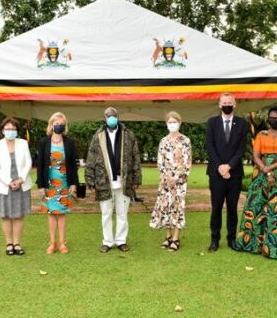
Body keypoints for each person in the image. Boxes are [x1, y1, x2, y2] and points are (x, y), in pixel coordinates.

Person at [235, 106, 277, 259]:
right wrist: (266, 170)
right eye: (271, 117)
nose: (274, 120)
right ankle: (255, 244)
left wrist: (270, 167)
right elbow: (256, 155)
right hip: (262, 175)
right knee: (257, 207)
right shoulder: (261, 135)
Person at [85, 107, 142, 253]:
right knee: (106, 214)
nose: (111, 117)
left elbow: (136, 157)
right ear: (104, 117)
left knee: (123, 214)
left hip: (125, 181)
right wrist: (90, 179)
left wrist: (136, 178)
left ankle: (121, 241)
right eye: (108, 115)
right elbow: (91, 158)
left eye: (114, 115)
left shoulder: (128, 135)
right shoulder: (98, 136)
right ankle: (108, 241)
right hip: (104, 182)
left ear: (118, 117)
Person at [205, 93, 249, 252]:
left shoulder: (242, 124)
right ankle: (214, 240)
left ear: (235, 105)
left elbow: (241, 149)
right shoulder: (212, 123)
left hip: (234, 174)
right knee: (216, 207)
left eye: (230, 102)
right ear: (219, 105)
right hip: (216, 174)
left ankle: (232, 239)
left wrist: (229, 167)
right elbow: (210, 147)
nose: (227, 105)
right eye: (224, 102)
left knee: (232, 208)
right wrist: (220, 167)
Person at [36, 112, 78, 254]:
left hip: (64, 183)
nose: (58, 125)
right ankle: (52, 242)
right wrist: (41, 185)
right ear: (51, 124)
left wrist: (73, 183)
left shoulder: (69, 142)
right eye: (56, 123)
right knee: (52, 213)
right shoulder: (43, 142)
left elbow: (73, 164)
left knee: (62, 213)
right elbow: (40, 164)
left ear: (64, 125)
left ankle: (62, 242)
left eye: (61, 123)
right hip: (49, 184)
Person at [149, 111, 192, 251]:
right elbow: (160, 162)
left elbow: (187, 162)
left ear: (180, 123)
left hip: (179, 182)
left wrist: (178, 177)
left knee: (178, 207)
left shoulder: (185, 141)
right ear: (166, 124)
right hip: (165, 181)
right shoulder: (163, 141)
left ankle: (176, 238)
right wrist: (166, 177)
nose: (172, 124)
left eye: (175, 122)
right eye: (170, 122)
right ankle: (167, 236)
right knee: (165, 207)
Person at [0, 117, 33, 256]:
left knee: (19, 214)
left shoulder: (23, 143)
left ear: (17, 131)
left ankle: (17, 243)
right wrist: (9, 181)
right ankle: (9, 243)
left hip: (22, 183)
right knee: (6, 215)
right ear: (2, 130)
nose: (10, 131)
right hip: (3, 185)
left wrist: (20, 179)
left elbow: (28, 163)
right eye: (8, 129)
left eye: (13, 129)